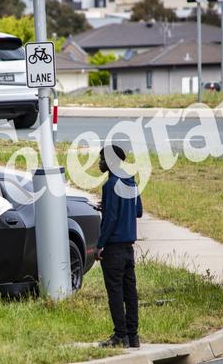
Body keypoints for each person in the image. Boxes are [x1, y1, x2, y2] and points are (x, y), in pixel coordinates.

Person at [95, 145, 143, 348]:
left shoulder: (110, 184)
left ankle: (119, 336)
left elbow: (111, 218)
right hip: (128, 247)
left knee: (115, 293)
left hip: (113, 248)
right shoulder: (131, 182)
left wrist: (99, 245)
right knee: (130, 292)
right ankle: (133, 336)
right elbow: (138, 211)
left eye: (102, 160)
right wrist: (107, 207)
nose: (99, 163)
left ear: (110, 162)